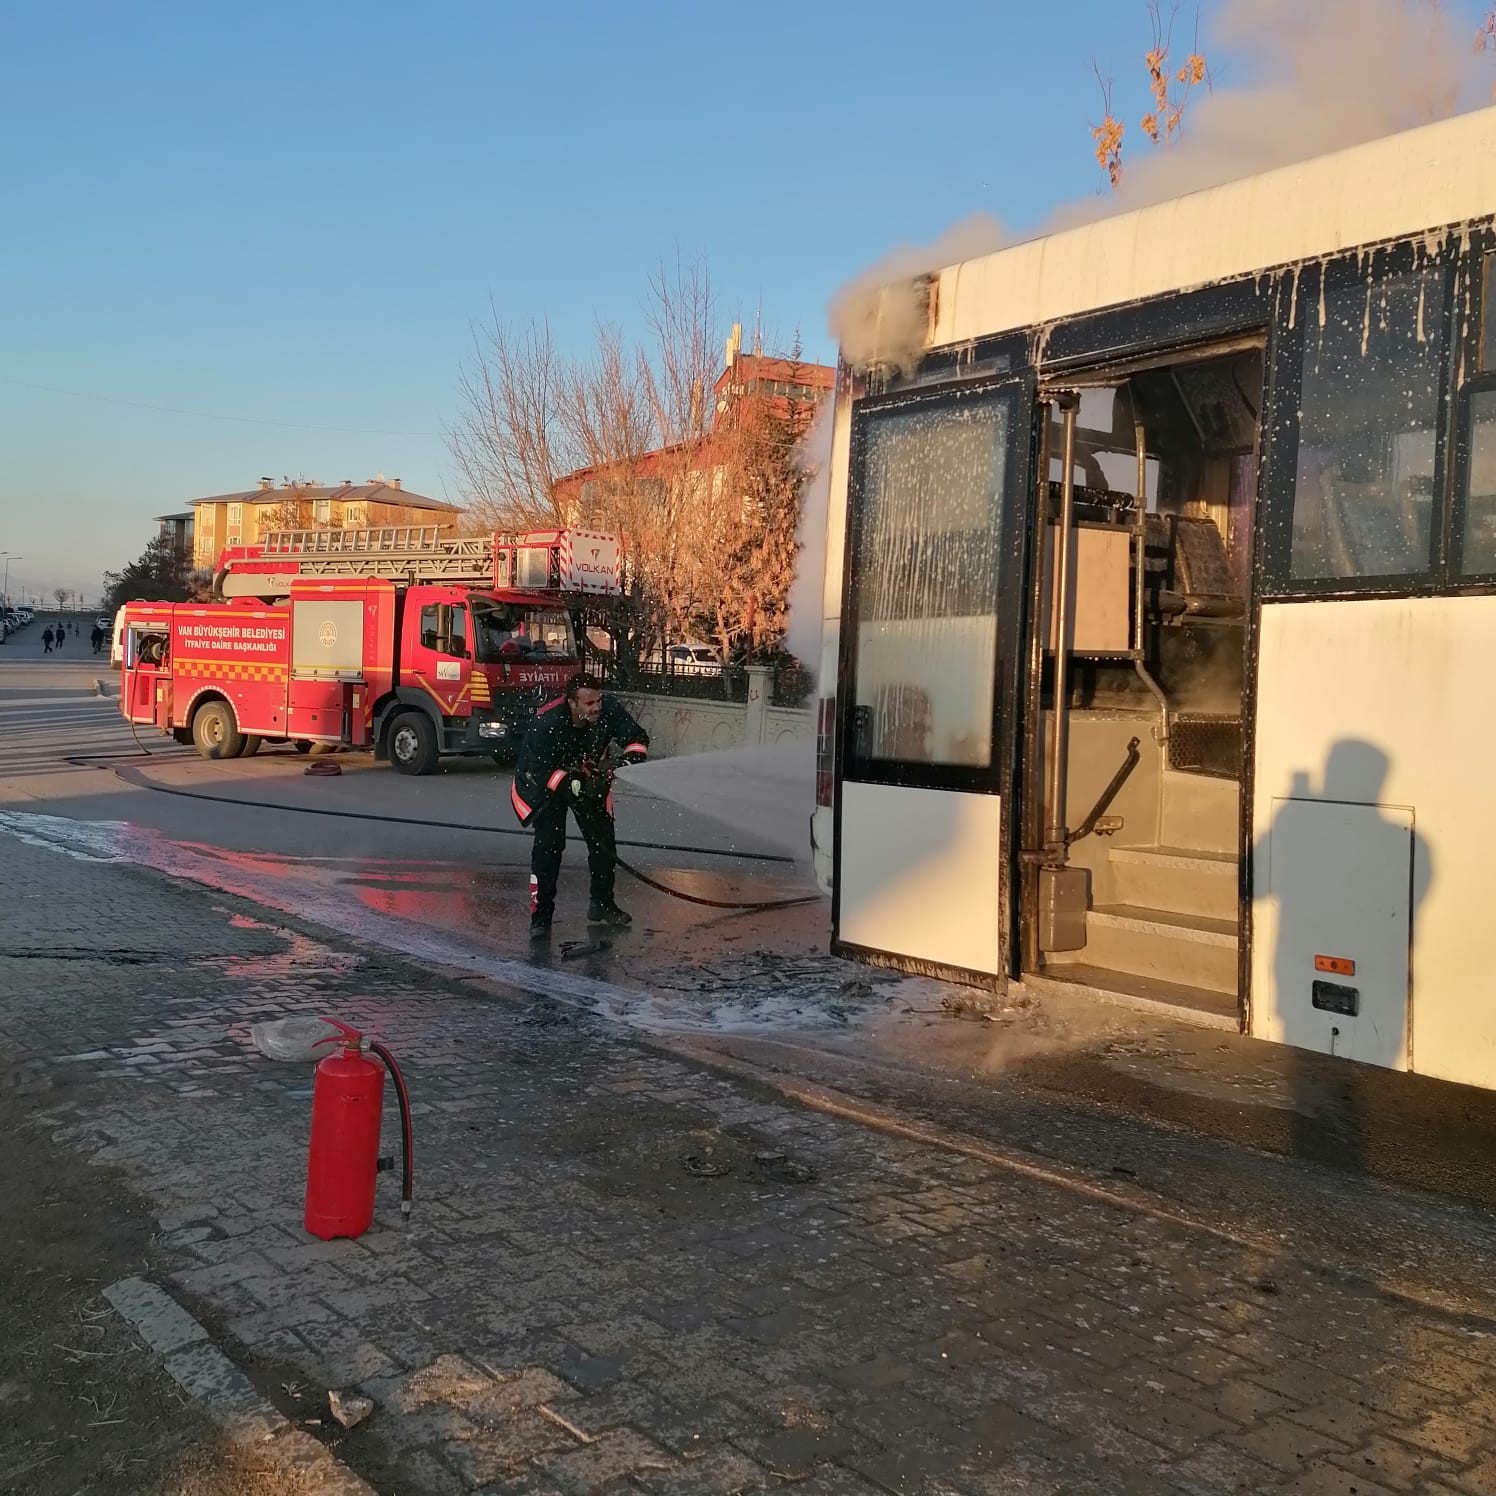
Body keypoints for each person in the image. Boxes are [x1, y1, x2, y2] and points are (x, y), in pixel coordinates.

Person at [510, 672, 649, 939]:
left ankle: (602, 904)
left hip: (587, 778)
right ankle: (541, 916)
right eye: (588, 703)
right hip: (545, 785)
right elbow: (539, 771)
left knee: (604, 842)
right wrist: (574, 785)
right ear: (571, 703)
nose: (596, 707)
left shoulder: (608, 710)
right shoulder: (547, 722)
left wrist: (621, 765)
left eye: (597, 700)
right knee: (549, 846)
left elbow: (637, 738)